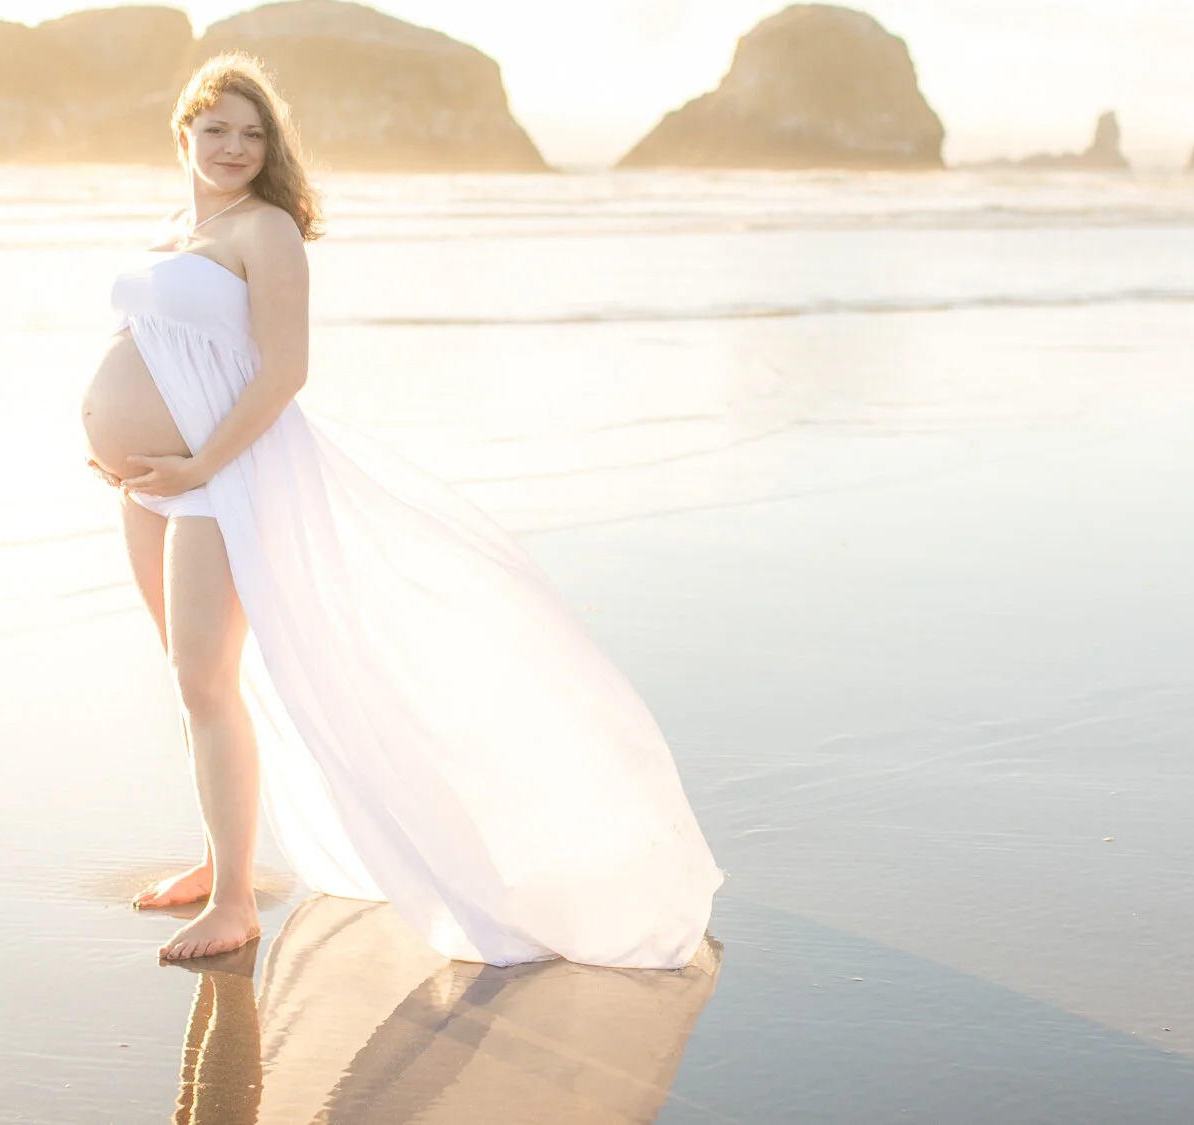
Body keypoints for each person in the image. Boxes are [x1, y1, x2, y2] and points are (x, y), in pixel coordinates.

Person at [81, 54, 722, 966]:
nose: (234, 147)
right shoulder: (180, 227)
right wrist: (113, 440)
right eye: (217, 128)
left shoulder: (266, 231)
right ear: (183, 131)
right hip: (151, 480)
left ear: (271, 149)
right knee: (188, 676)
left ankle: (233, 902)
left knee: (206, 680)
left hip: (217, 478)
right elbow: (154, 337)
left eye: (253, 133)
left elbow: (285, 371)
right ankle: (215, 860)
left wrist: (199, 463)